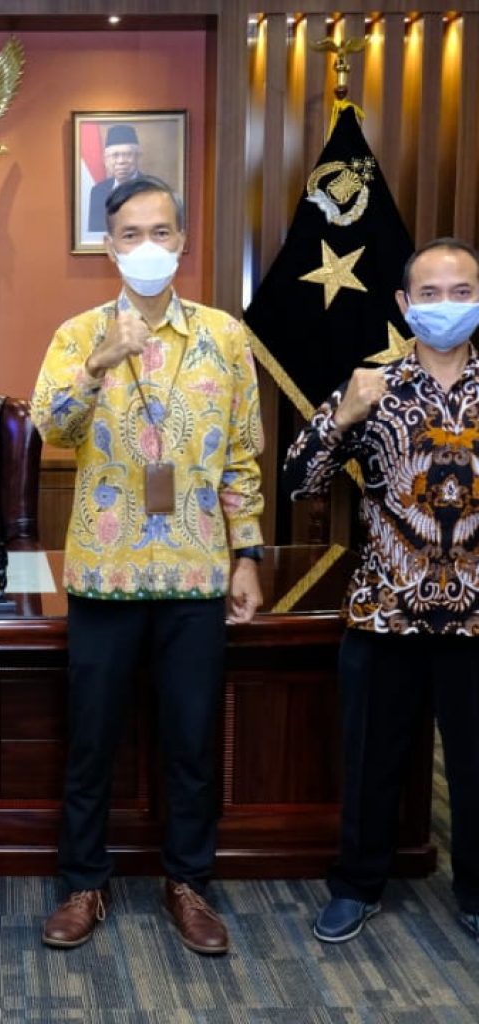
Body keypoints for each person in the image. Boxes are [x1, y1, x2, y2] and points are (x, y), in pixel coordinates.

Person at [32, 175, 265, 956]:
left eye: (161, 232)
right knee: (92, 741)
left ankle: (189, 882)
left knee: (192, 741)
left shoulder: (224, 337)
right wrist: (100, 363)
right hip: (106, 576)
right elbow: (49, 427)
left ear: (183, 240)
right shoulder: (77, 335)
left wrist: (247, 554)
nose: (148, 247)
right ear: (109, 247)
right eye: (131, 235)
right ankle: (83, 883)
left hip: (197, 573)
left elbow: (241, 456)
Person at [284, 237, 479, 946]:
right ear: (404, 303)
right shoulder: (373, 385)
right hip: (385, 611)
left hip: (476, 617)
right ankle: (357, 885)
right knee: (371, 761)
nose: (446, 305)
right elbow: (297, 479)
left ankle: (476, 891)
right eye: (430, 293)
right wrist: (342, 416)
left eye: (461, 292)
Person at [87, 124, 142, 234]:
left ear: (137, 157)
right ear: (106, 160)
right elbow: (95, 233)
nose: (121, 161)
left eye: (127, 155)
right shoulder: (98, 191)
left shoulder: (153, 189)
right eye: (115, 156)